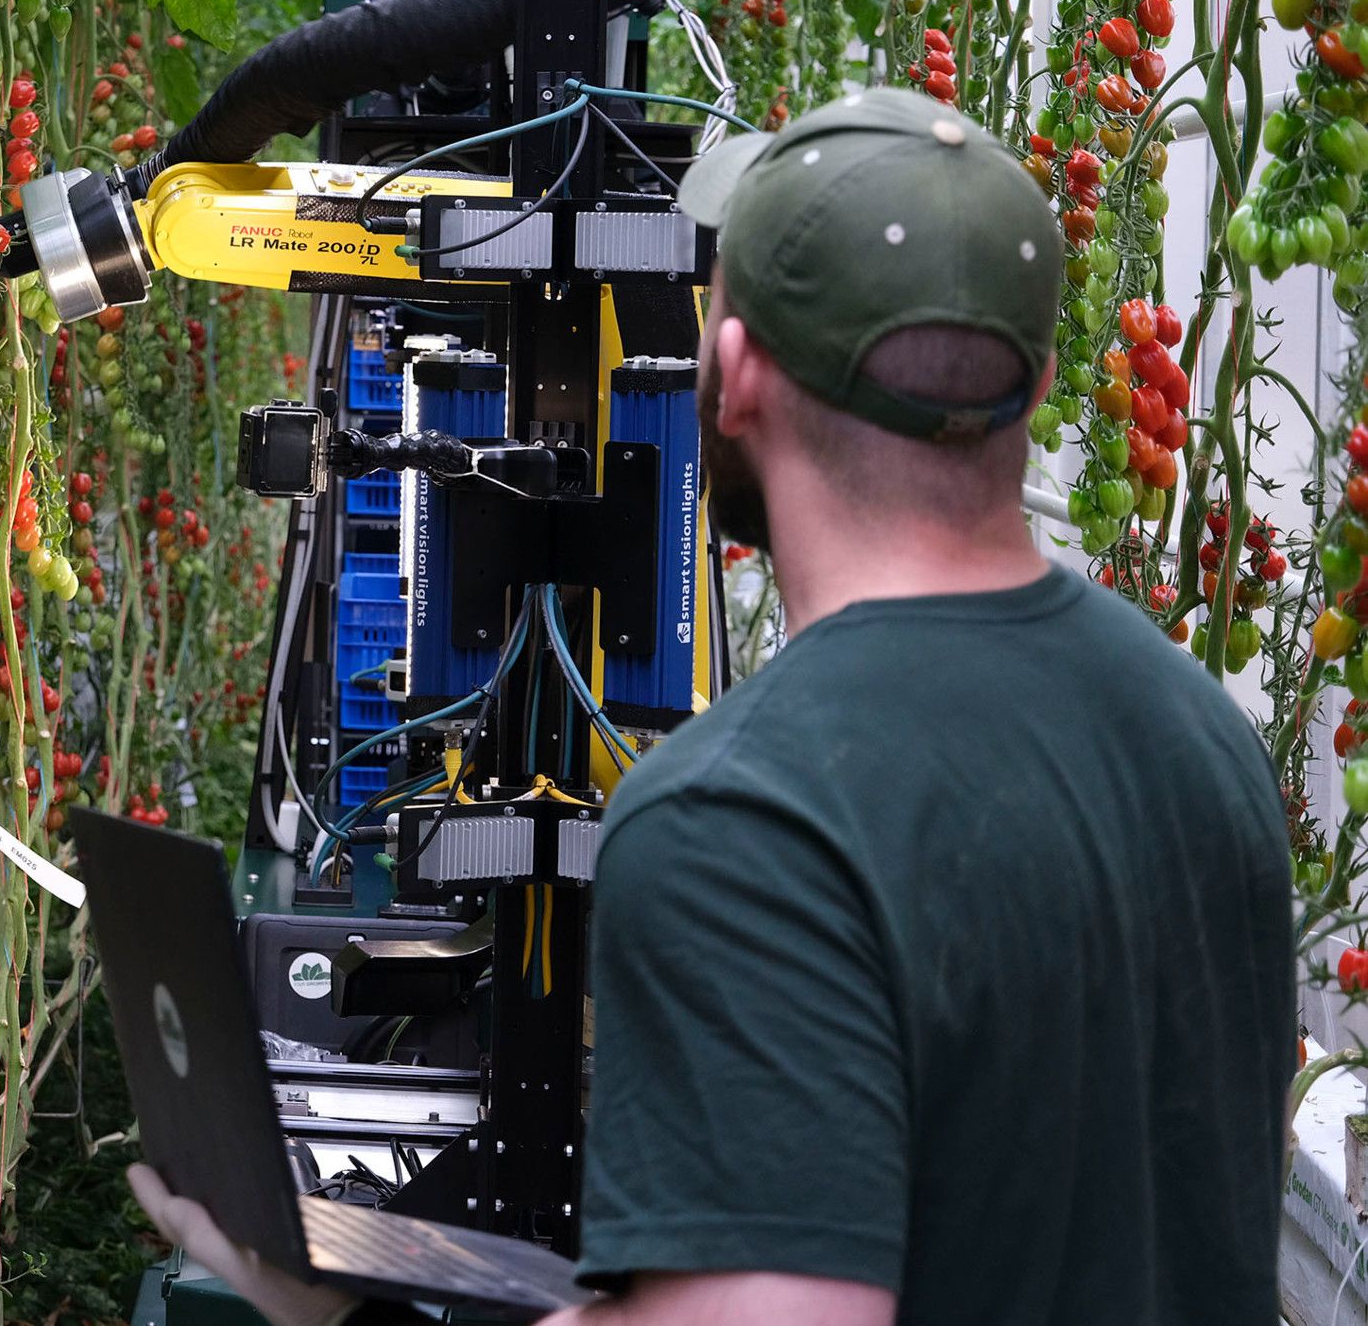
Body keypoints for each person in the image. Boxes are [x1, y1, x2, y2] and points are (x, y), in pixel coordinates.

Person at [131, 88, 1294, 1325]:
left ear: (730, 373)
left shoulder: (747, 811)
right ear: (1039, 382)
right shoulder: (1205, 743)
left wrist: (327, 1308)